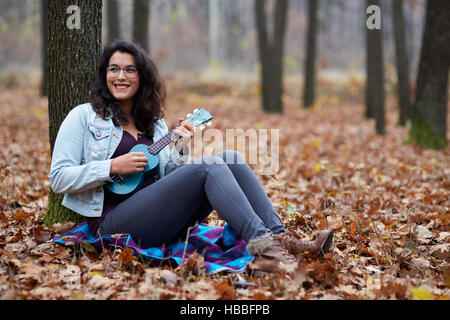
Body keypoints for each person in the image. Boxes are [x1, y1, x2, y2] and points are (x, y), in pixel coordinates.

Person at [49, 41, 333, 273]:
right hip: (115, 224)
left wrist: (181, 149)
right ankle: (264, 248)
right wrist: (111, 166)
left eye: (129, 70)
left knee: (231, 157)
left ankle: (279, 237)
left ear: (142, 76)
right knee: (209, 166)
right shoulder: (84, 117)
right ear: (104, 75)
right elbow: (59, 178)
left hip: (161, 220)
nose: (120, 76)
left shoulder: (155, 123)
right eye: (114, 69)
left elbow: (168, 184)